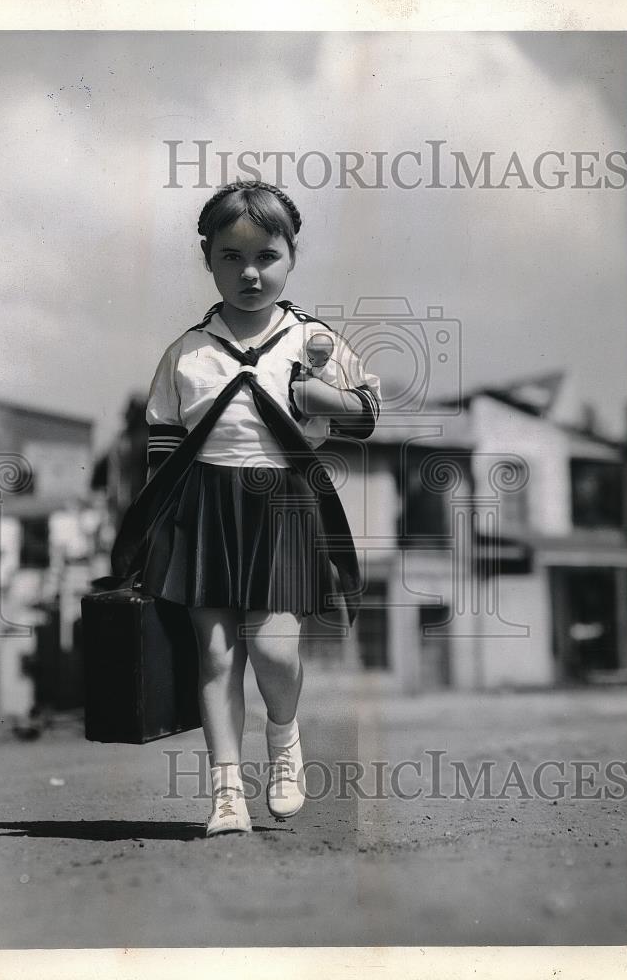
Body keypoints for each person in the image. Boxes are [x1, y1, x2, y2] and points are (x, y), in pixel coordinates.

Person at [137, 180, 381, 837]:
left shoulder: (313, 340)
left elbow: (365, 416)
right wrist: (158, 529)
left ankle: (283, 740)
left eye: (266, 256)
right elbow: (162, 443)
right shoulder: (186, 353)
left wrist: (323, 401)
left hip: (281, 504)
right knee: (214, 655)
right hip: (203, 509)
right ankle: (224, 793)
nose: (249, 272)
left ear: (291, 255)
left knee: (273, 651)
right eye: (230, 257)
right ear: (208, 259)